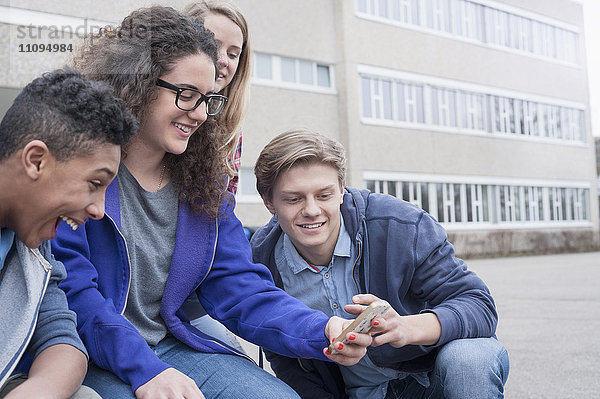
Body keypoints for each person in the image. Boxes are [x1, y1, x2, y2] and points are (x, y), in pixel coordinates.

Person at [51, 7, 371, 399]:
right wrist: (148, 372)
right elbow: (74, 295)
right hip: (87, 353)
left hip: (170, 343)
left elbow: (239, 287)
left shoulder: (205, 185)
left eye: (209, 99)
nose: (201, 114)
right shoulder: (77, 172)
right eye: (186, 95)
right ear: (135, 83)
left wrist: (322, 329)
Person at [251, 129, 510, 399]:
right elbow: (283, 353)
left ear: (342, 189)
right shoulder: (261, 259)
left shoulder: (401, 224)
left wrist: (407, 328)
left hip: (432, 380)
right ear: (269, 201)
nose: (312, 210)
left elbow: (478, 305)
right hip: (361, 394)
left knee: (470, 359)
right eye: (294, 199)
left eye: (324, 195)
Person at [0, 69, 137, 398]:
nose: (98, 210)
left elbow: (63, 341)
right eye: (95, 183)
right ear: (36, 161)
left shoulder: (34, 250)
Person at [185, 0, 251, 195]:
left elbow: (223, 213)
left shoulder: (230, 134)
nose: (222, 60)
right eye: (212, 46)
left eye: (232, 54)